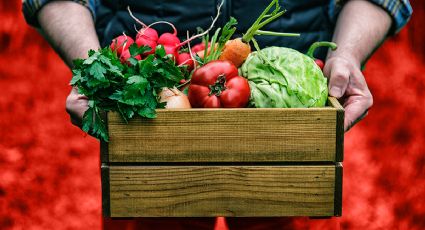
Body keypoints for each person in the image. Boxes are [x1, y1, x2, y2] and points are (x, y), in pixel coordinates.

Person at [22, 0, 412, 229]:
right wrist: (94, 67)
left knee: (282, 215)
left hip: (286, 120)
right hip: (146, 110)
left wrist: (347, 55)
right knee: (149, 217)